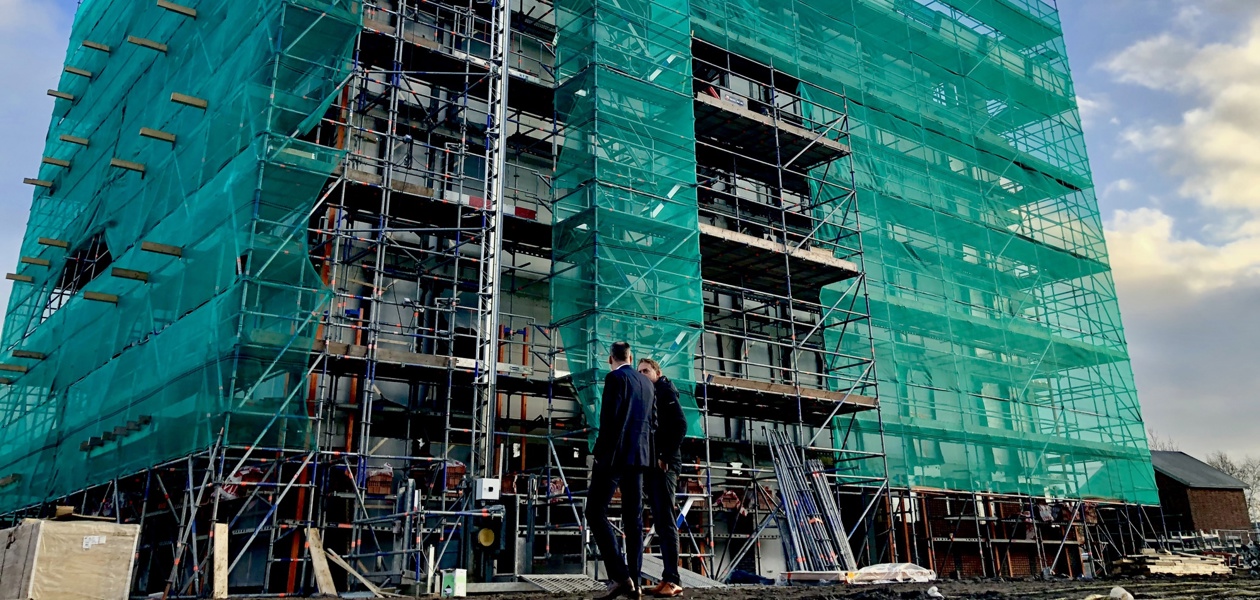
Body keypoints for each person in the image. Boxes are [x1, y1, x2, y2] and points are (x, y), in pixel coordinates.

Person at [587, 341, 656, 599]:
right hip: (639, 458)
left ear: (610, 359)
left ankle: (620, 575)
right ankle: (635, 583)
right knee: (633, 519)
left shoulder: (614, 378)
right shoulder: (648, 384)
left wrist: (599, 455)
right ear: (630, 356)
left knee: (594, 511)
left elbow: (608, 420)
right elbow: (653, 422)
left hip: (614, 456)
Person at [637, 358, 687, 598]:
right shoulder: (651, 393)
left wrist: (665, 455)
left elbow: (679, 424)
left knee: (666, 520)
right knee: (659, 518)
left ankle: (673, 580)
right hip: (654, 463)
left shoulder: (664, 390)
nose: (643, 374)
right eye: (640, 372)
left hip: (665, 464)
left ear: (657, 372)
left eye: (646, 370)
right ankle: (667, 578)